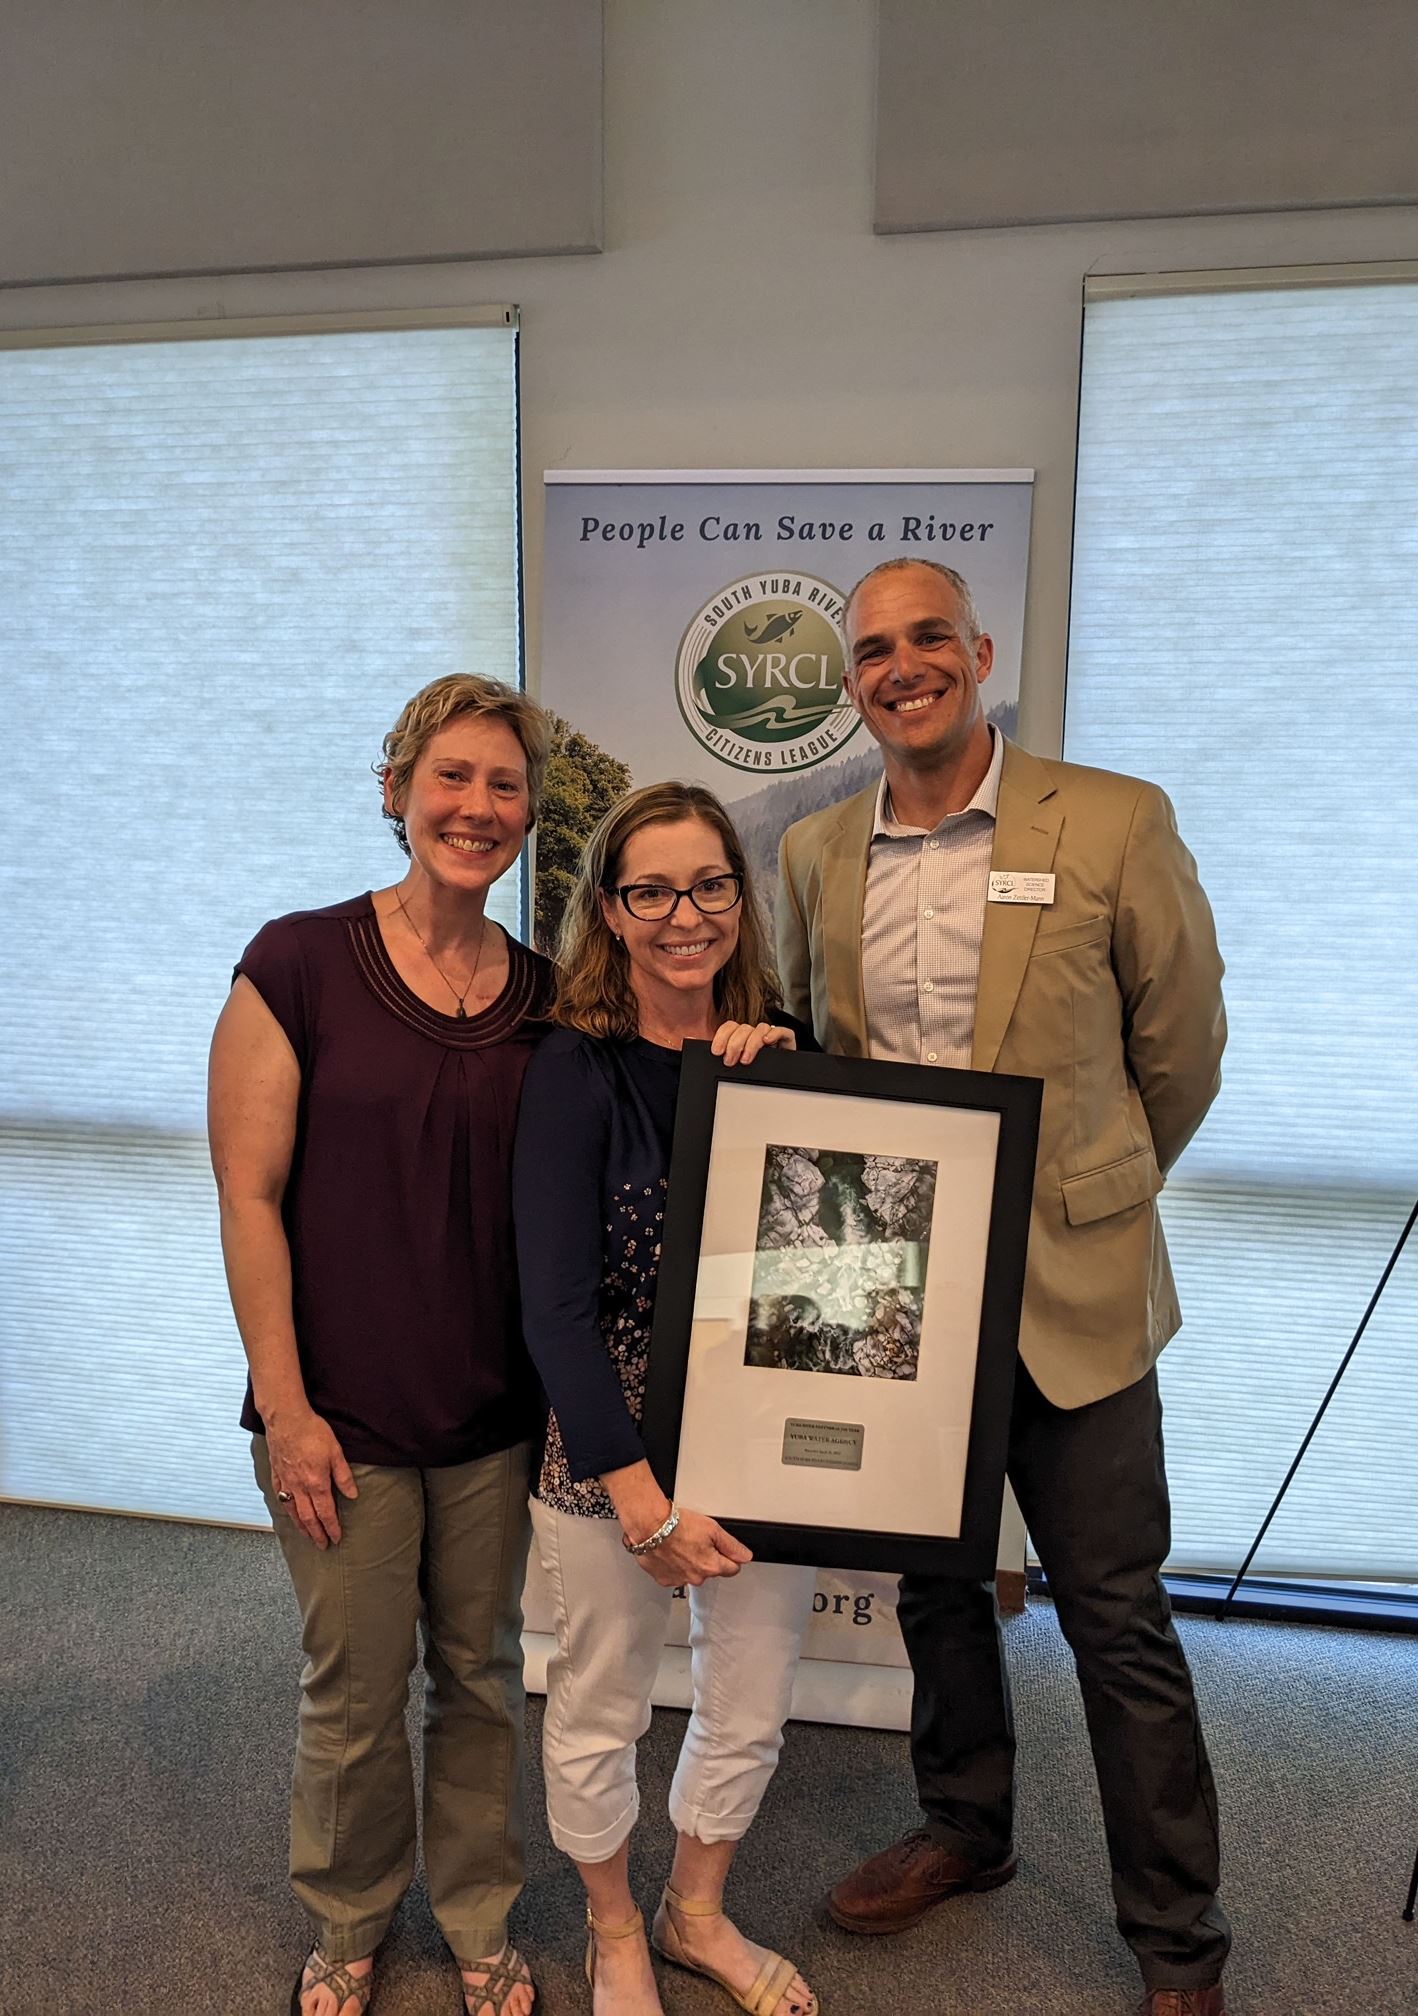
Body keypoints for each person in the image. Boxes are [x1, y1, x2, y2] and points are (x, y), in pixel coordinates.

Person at [776, 559, 1231, 2016]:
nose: (900, 667)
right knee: (935, 1592)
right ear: (851, 684)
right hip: (896, 1287)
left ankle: (1176, 1939)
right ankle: (964, 1833)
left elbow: (1181, 1046)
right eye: (870, 651)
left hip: (1072, 1282)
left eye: (927, 639)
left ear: (977, 652)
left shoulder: (1109, 818)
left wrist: (1093, 1190)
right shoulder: (814, 851)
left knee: (1116, 1617)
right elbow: (822, 1050)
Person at [208, 673, 555, 2016]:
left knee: (478, 1680)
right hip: (334, 1419)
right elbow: (246, 1195)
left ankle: (475, 1919)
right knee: (353, 1697)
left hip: (486, 1419)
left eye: (503, 786)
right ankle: (348, 1921)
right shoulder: (296, 962)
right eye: (452, 777)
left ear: (528, 815)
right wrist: (287, 1413)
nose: (475, 807)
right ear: (402, 787)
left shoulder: (539, 998)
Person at [513, 782, 820, 2016]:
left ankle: (694, 1913)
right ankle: (613, 1929)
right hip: (608, 1444)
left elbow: (836, 1258)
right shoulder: (571, 1070)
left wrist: (801, 1083)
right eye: (650, 890)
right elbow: (555, 1314)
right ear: (610, 909)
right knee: (600, 1701)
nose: (682, 915)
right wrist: (642, 1507)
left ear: (739, 902)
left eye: (708, 886)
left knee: (750, 1694)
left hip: (764, 1442)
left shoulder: (787, 1054)